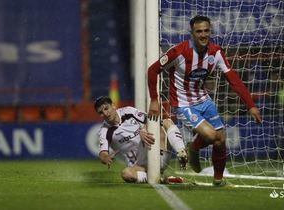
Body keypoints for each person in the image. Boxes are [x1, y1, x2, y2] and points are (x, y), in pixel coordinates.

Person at [147, 15, 262, 186]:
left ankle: (218, 179)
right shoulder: (178, 52)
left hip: (204, 100)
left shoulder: (215, 52)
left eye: (206, 31)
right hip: (183, 104)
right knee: (210, 135)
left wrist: (250, 105)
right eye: (199, 31)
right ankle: (193, 147)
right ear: (191, 33)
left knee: (220, 139)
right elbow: (152, 70)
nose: (203, 35)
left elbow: (234, 79)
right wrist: (154, 100)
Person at [94, 96, 188, 183]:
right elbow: (103, 153)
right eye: (101, 113)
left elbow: (151, 120)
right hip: (141, 167)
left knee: (166, 122)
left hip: (156, 153)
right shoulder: (104, 131)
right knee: (126, 174)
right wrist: (105, 158)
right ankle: (163, 179)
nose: (105, 113)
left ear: (113, 106)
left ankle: (181, 151)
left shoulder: (128, 111)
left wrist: (143, 129)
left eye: (106, 108)